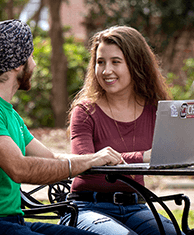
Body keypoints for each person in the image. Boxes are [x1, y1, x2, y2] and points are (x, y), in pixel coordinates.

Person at [0, 20, 124, 235]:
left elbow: (50, 159)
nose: (34, 64)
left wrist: (95, 157)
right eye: (31, 56)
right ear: (18, 64)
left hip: (8, 221)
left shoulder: (6, 112)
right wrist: (89, 160)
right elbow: (20, 169)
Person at [60, 26, 184, 235]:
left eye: (115, 62)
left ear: (136, 64)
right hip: (87, 207)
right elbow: (84, 161)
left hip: (136, 206)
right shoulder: (85, 111)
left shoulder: (155, 110)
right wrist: (143, 156)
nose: (106, 70)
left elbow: (173, 153)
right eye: (100, 62)